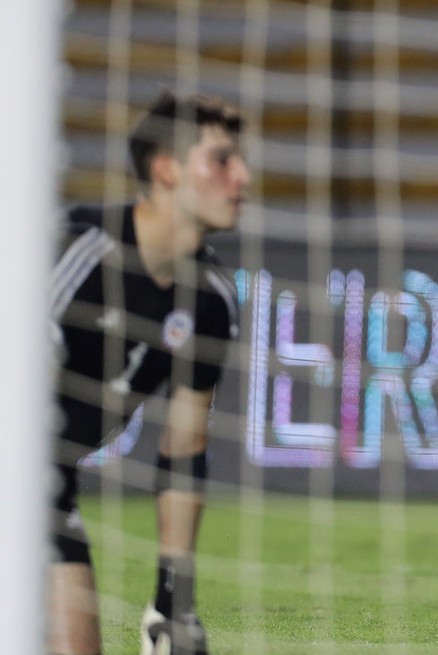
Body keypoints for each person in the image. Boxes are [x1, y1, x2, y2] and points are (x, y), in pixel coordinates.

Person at [50, 90, 248, 654]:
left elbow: (184, 449)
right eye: (222, 160)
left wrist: (173, 602)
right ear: (166, 170)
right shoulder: (73, 251)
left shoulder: (210, 299)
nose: (243, 177)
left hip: (46, 488)